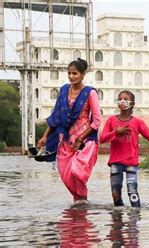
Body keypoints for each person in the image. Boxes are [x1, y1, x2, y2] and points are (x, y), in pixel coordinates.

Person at [36, 58, 101, 204]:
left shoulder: (90, 93)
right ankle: (79, 208)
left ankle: (82, 204)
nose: (71, 76)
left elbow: (96, 121)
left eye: (75, 73)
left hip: (84, 142)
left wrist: (80, 138)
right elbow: (56, 116)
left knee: (77, 172)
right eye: (69, 73)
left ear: (83, 75)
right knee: (66, 176)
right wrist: (45, 136)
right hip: (65, 140)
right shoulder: (64, 90)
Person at [100, 91, 149, 207]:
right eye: (120, 98)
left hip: (131, 162)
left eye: (125, 98)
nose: (122, 101)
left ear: (132, 103)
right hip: (115, 163)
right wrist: (115, 132)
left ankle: (135, 217)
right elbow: (102, 138)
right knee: (115, 193)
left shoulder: (137, 122)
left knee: (132, 191)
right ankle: (117, 219)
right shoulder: (111, 120)